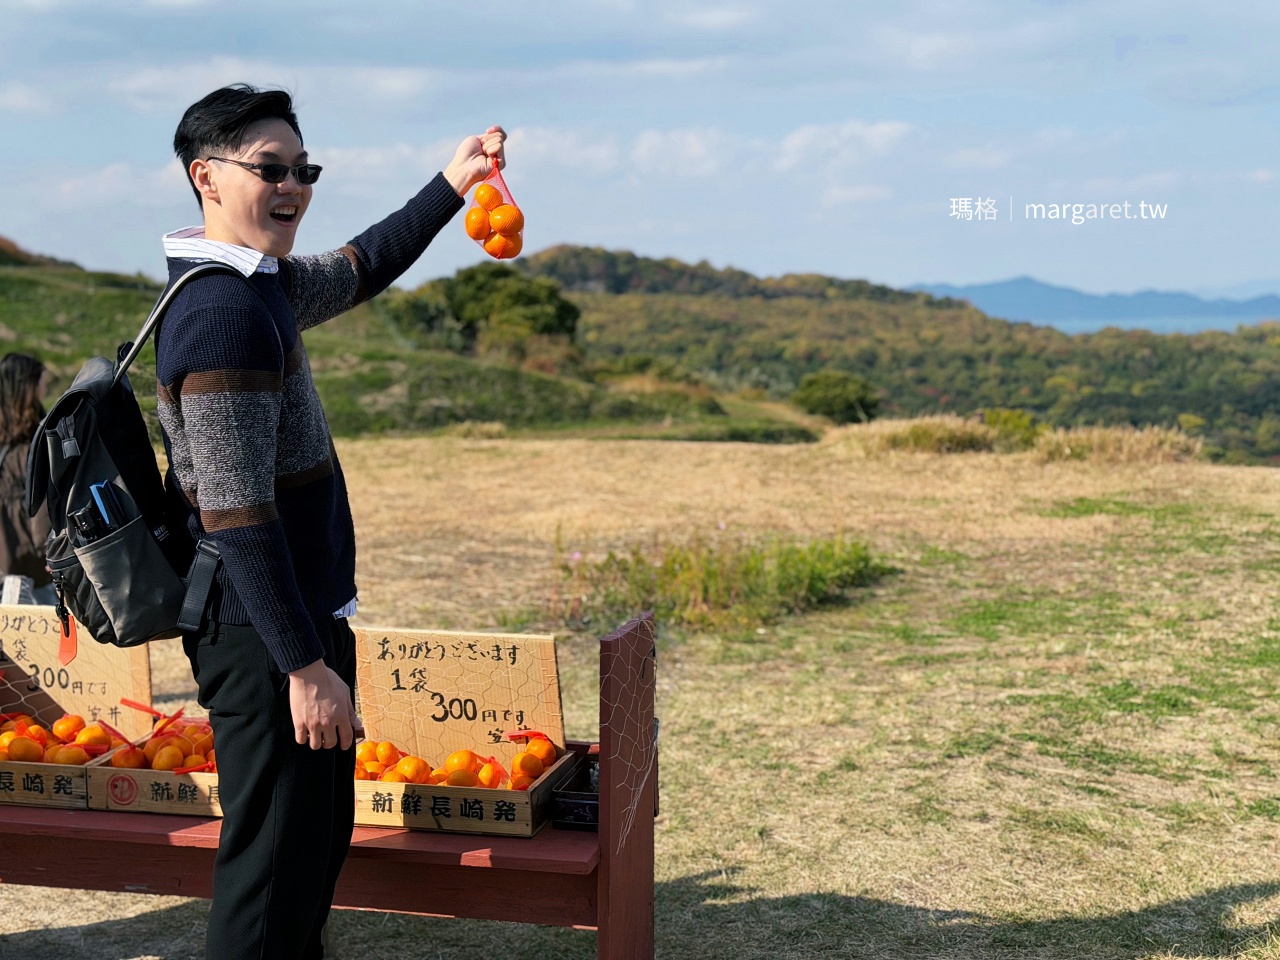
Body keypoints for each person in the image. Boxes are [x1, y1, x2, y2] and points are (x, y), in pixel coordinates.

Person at [157, 84, 504, 960]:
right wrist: (304, 666)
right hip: (265, 635)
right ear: (206, 176)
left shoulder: (259, 284)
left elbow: (361, 264)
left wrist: (454, 182)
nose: (293, 187)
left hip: (289, 624)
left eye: (303, 171)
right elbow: (238, 515)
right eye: (270, 169)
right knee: (272, 877)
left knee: (305, 858)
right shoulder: (224, 315)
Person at [0, 353, 53, 603]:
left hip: (14, 564)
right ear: (28, 387)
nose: (45, 386)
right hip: (30, 569)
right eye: (41, 380)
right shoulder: (33, 443)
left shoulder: (21, 440)